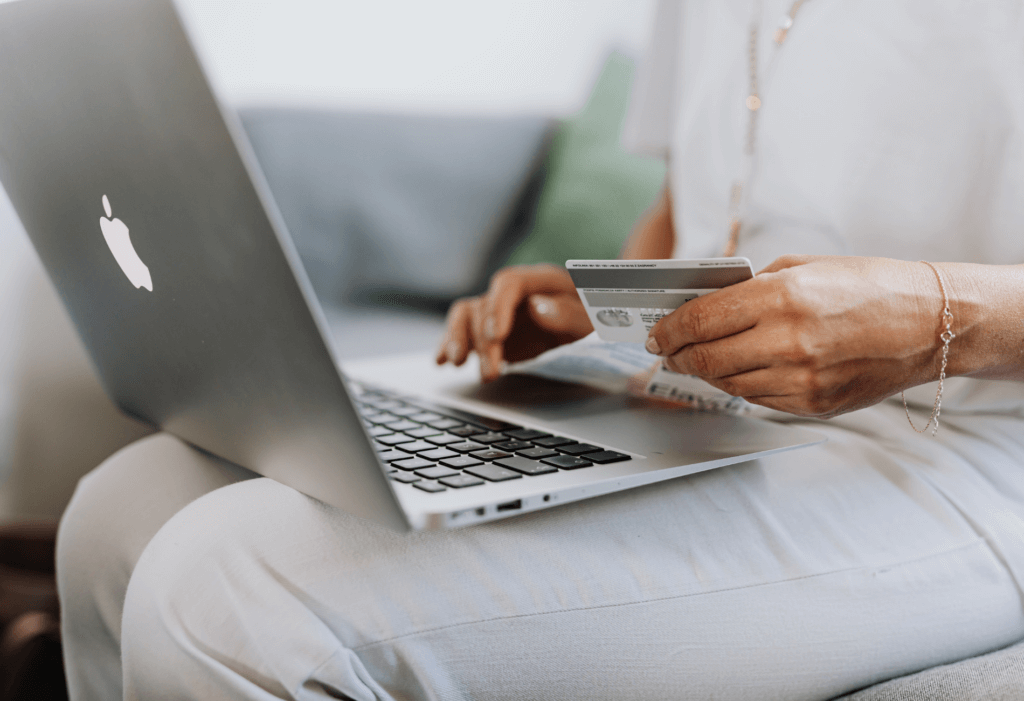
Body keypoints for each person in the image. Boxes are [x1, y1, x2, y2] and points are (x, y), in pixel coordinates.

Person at [56, 2, 1024, 699]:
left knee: (226, 595)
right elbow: (685, 201)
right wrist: (609, 307)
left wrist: (941, 314)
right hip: (708, 404)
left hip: (952, 449)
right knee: (120, 508)